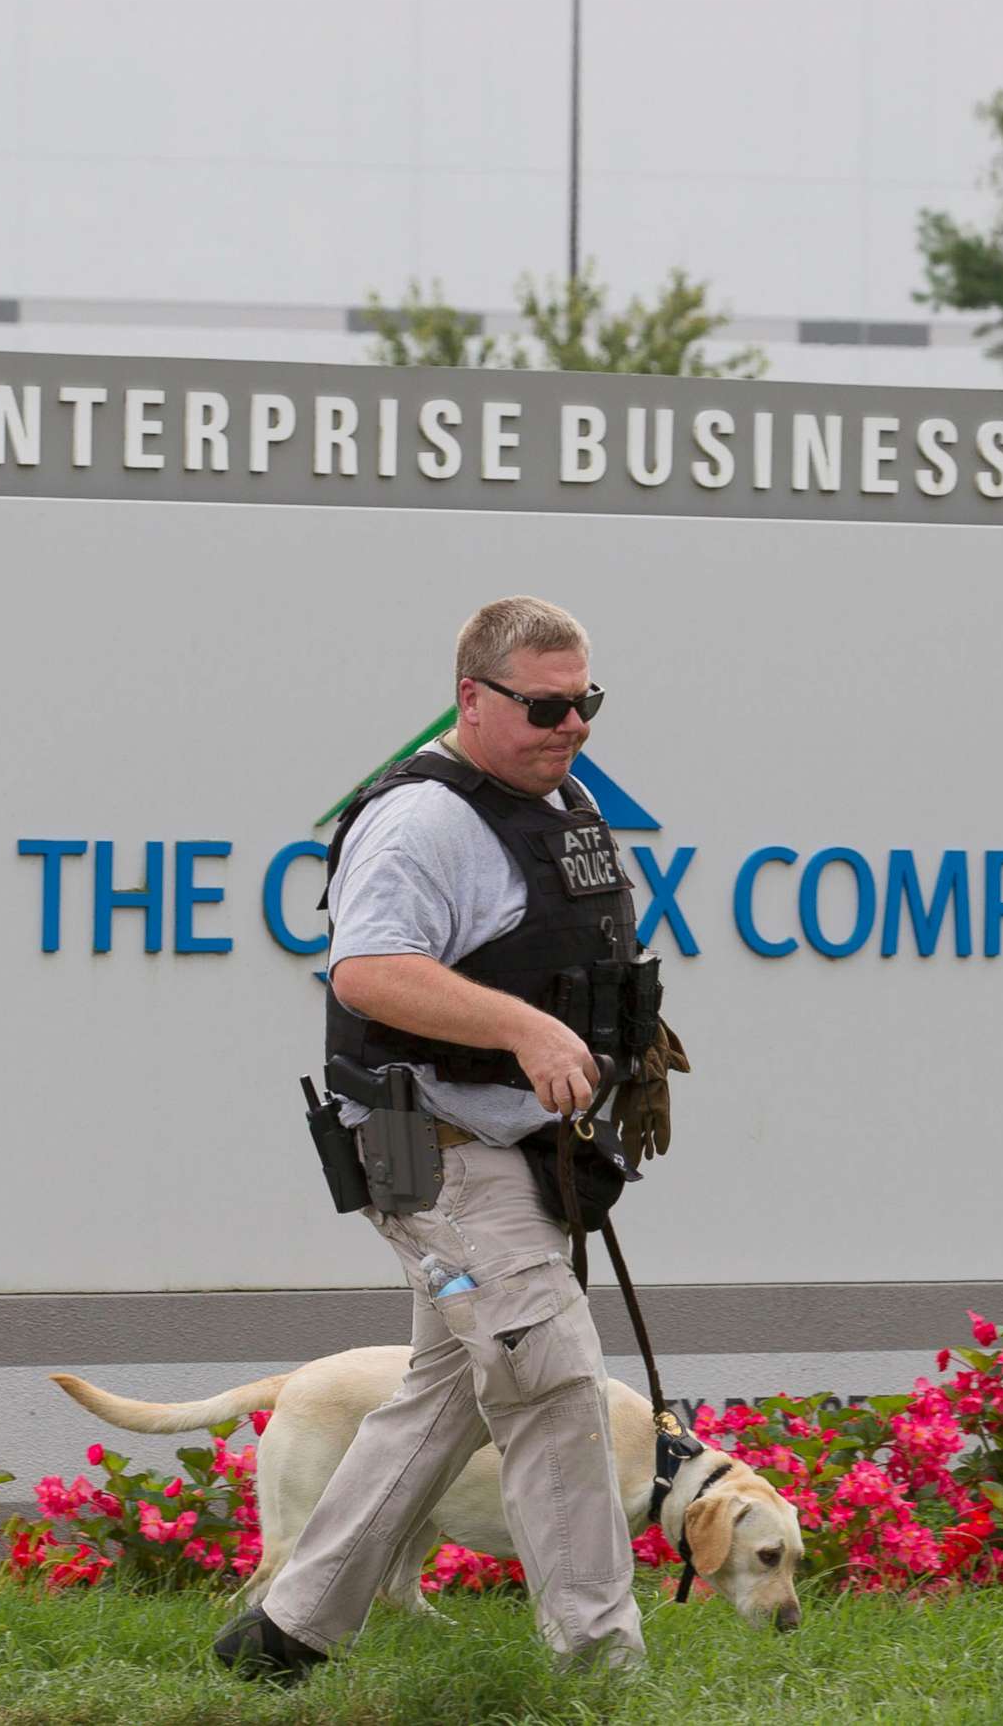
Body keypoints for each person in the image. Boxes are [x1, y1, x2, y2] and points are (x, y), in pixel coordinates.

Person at [214, 596, 649, 1680]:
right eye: (546, 705)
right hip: (439, 1160)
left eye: (584, 701)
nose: (572, 725)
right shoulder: (421, 821)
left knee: (452, 1386)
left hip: (513, 1154)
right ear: (472, 696)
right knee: (549, 1380)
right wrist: (529, 1026)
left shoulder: (554, 801)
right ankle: (602, 1669)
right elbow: (367, 969)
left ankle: (285, 1630)